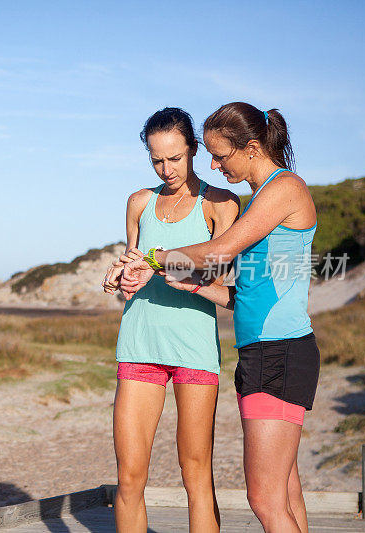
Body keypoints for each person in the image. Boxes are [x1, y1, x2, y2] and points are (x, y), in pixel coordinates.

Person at [112, 102, 319, 533]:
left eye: (219, 155)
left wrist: (153, 258)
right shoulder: (265, 194)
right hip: (259, 351)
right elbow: (241, 292)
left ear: (253, 148)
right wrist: (188, 282)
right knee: (284, 493)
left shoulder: (281, 190)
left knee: (264, 498)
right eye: (157, 159)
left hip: (276, 351)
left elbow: (219, 254)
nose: (213, 163)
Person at [101, 107, 239, 532]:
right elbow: (136, 264)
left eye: (175, 158)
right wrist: (123, 273)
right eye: (156, 159)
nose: (166, 169)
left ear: (193, 150)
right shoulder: (138, 202)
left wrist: (164, 268)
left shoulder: (220, 204)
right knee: (129, 478)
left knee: (196, 479)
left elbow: (216, 280)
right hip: (139, 344)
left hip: (194, 351)